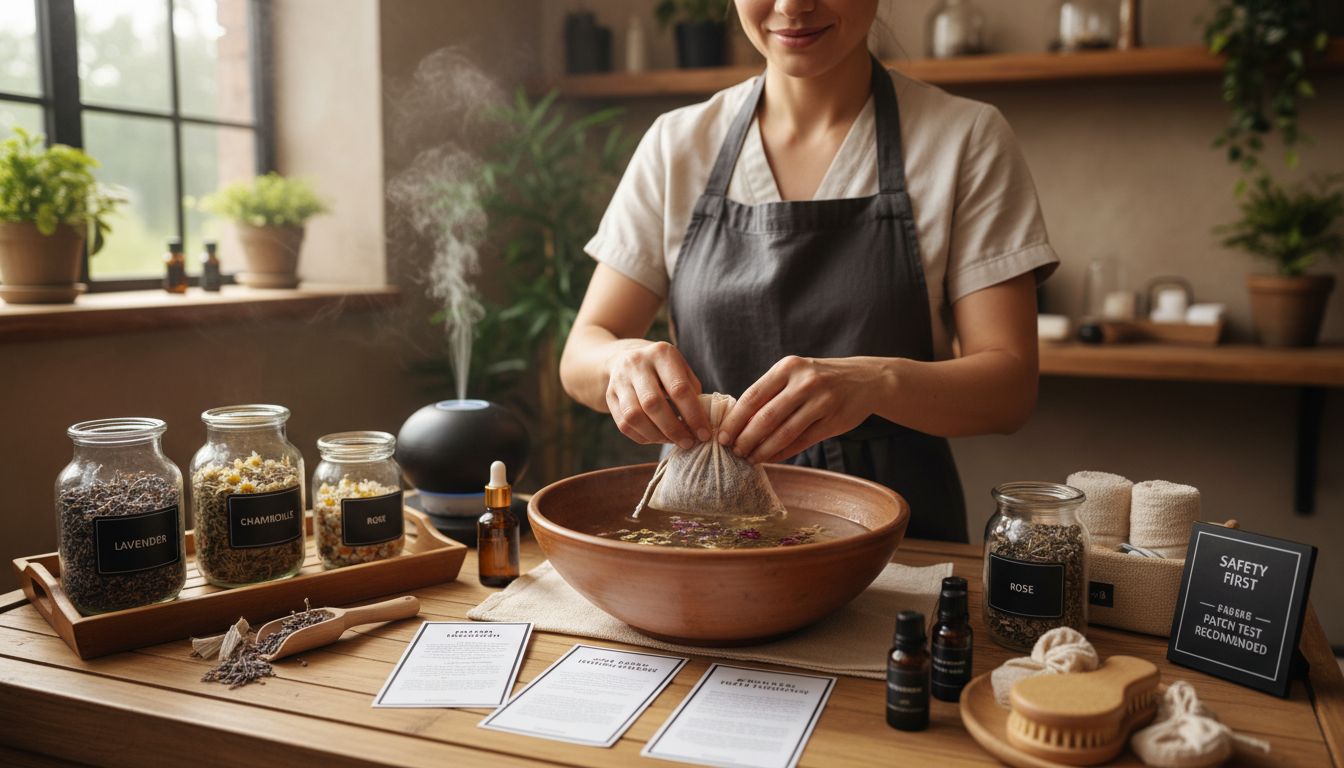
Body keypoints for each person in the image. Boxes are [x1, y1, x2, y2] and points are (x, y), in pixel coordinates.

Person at [559, 0, 1058, 542]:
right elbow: (583, 351)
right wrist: (622, 363)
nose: (792, 5)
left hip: (895, 537)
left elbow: (1009, 388)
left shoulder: (965, 139)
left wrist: (875, 383)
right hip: (697, 525)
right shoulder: (676, 144)